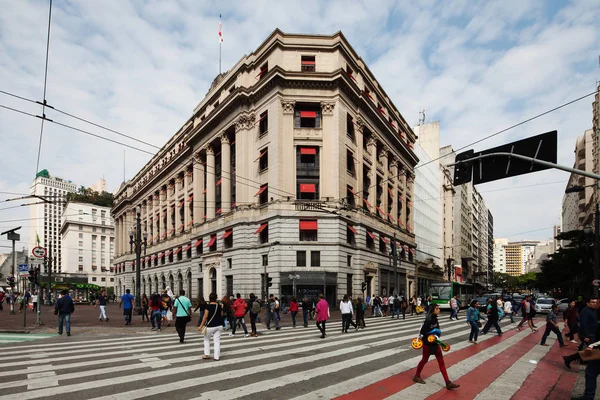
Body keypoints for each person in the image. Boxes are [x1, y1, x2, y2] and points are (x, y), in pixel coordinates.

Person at [412, 304, 460, 390]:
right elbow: (422, 331)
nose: (439, 310)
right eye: (437, 309)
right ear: (433, 310)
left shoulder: (435, 319)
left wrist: (437, 338)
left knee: (441, 362)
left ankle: (448, 382)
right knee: (424, 360)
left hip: (435, 343)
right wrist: (431, 333)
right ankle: (416, 376)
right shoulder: (428, 321)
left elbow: (437, 331)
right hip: (427, 344)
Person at [199, 292, 224, 361]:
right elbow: (222, 315)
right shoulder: (219, 306)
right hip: (219, 325)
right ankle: (216, 356)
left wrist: (201, 326)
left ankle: (207, 354)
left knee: (206, 339)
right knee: (217, 341)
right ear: (216, 298)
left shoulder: (208, 306)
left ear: (210, 298)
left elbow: (205, 316)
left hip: (210, 326)